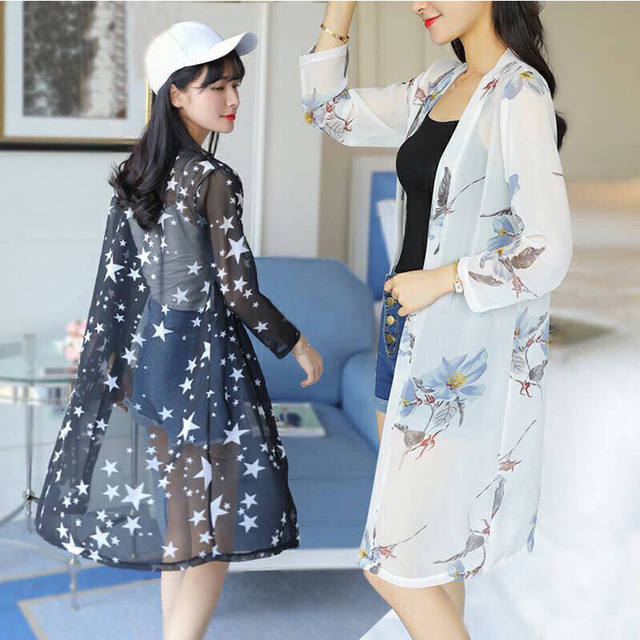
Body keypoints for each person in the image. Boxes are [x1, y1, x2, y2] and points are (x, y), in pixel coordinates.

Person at [35, 21, 323, 640]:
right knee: (215, 530)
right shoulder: (211, 178)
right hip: (205, 367)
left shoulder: (138, 174)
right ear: (175, 93)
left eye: (235, 84)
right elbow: (239, 293)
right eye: (216, 86)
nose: (233, 98)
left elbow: (121, 284)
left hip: (158, 366)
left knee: (184, 523)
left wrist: (118, 366)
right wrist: (296, 342)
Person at [299, 2, 571, 638]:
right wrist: (342, 7)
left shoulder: (519, 94)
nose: (419, 1)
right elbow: (328, 111)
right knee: (430, 559)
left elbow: (548, 250)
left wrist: (444, 279)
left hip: (457, 357)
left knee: (394, 567)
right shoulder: (436, 85)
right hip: (402, 335)